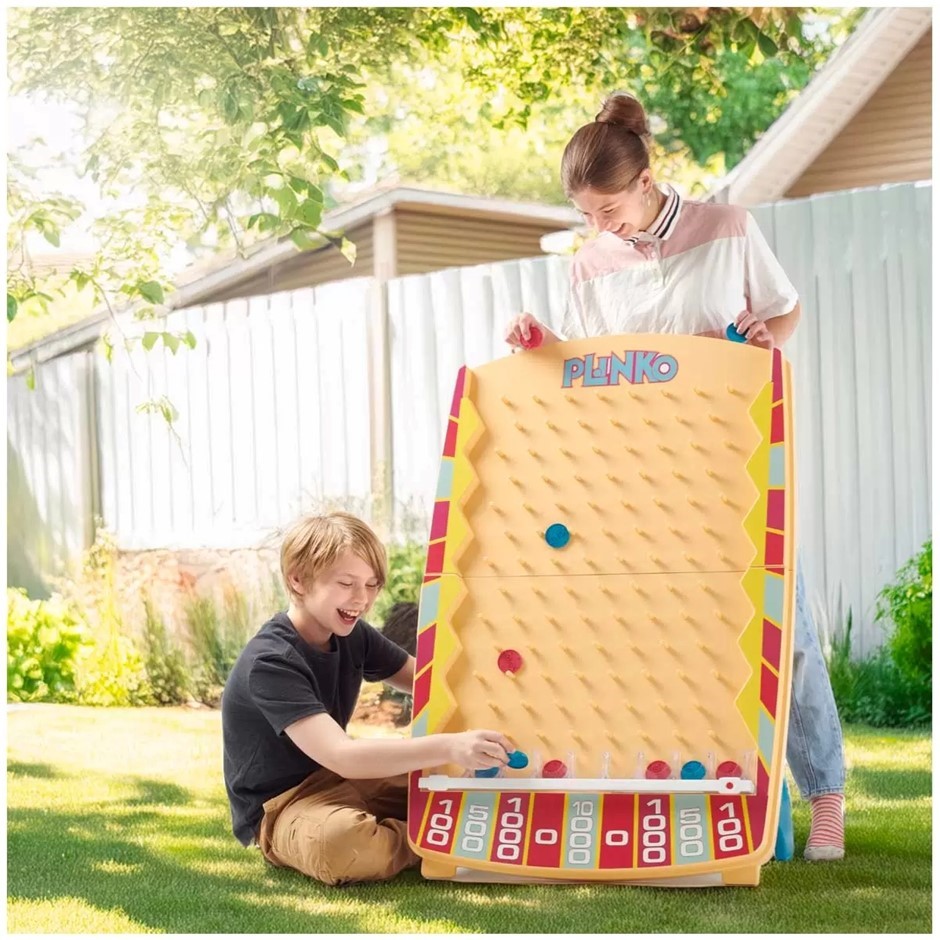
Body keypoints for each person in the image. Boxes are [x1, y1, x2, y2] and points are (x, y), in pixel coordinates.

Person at [504, 92, 846, 862]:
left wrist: (765, 332)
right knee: (672, 635)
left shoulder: (726, 230)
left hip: (738, 456)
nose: (600, 226)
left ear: (647, 177)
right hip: (643, 474)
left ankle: (824, 794)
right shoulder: (589, 266)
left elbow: (784, 313)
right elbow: (590, 370)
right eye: (587, 214)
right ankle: (693, 791)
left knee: (783, 629)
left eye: (610, 207)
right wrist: (542, 344)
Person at [222, 511, 513, 885]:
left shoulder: (352, 634)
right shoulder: (272, 661)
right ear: (297, 579)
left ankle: (422, 824)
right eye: (346, 583)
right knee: (342, 844)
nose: (362, 599)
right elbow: (342, 756)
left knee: (458, 775)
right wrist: (448, 747)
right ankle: (436, 839)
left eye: (372, 585)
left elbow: (427, 682)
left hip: (341, 781)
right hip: (285, 804)